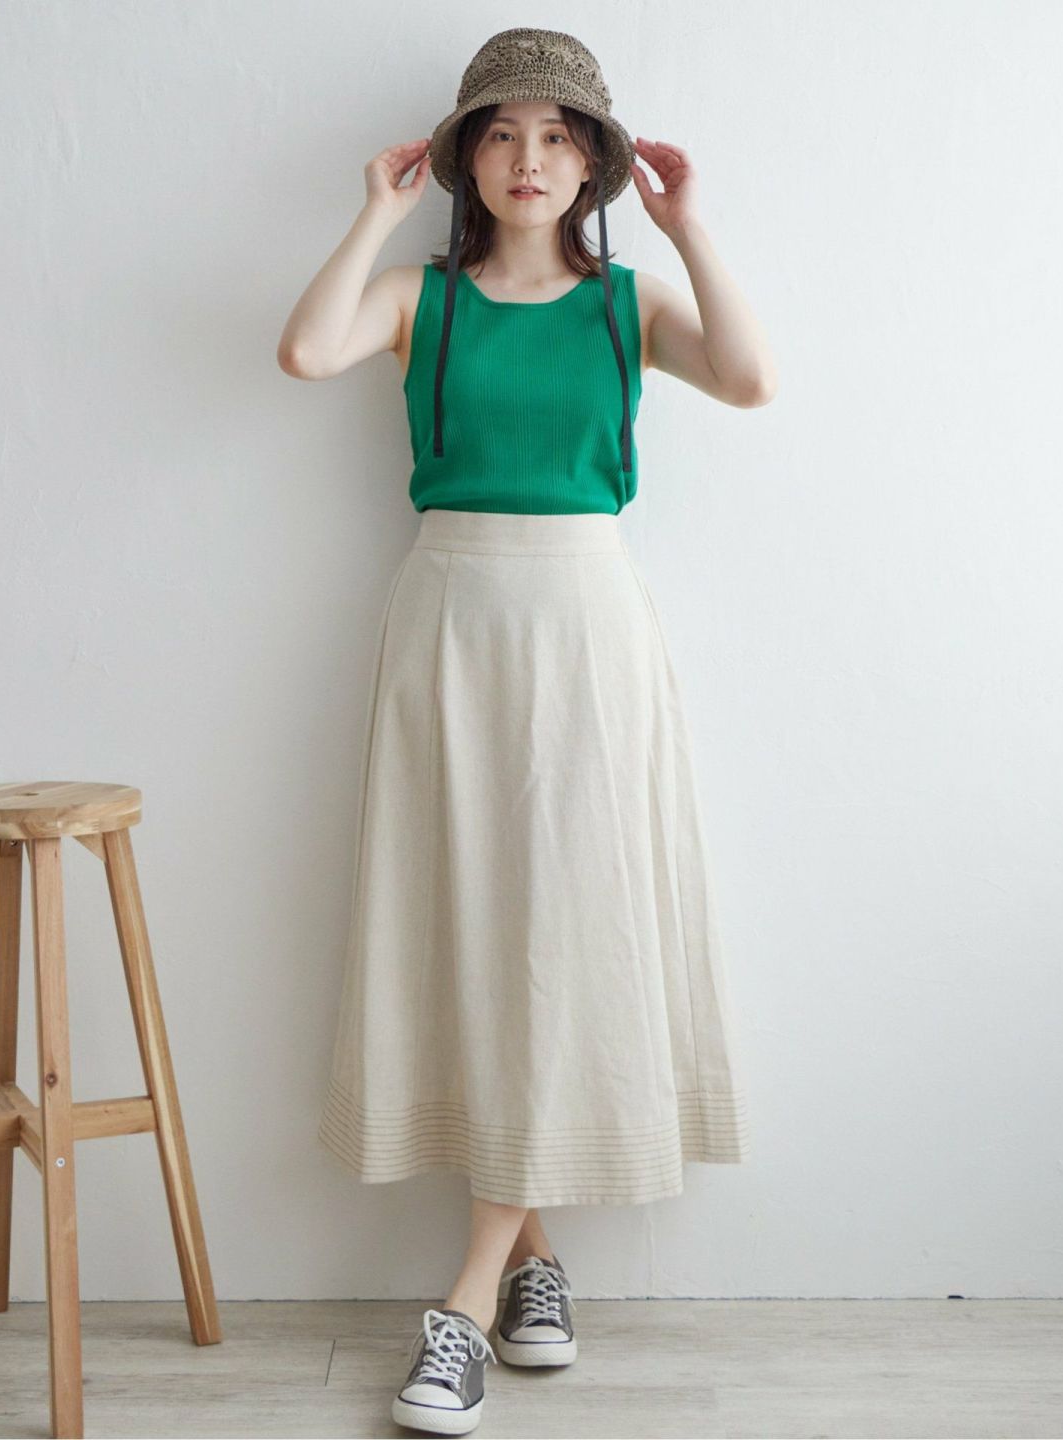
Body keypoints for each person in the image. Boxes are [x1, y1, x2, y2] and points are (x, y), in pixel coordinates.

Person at [277, 28, 777, 1437]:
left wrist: (688, 227)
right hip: (450, 621)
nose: (530, 160)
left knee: (565, 925)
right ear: (464, 159)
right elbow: (304, 349)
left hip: (588, 626)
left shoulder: (625, 303)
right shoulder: (420, 300)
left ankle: (467, 1302)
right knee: (481, 929)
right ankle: (537, 1262)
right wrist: (372, 212)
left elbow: (751, 378)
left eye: (559, 136)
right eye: (502, 133)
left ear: (596, 162)